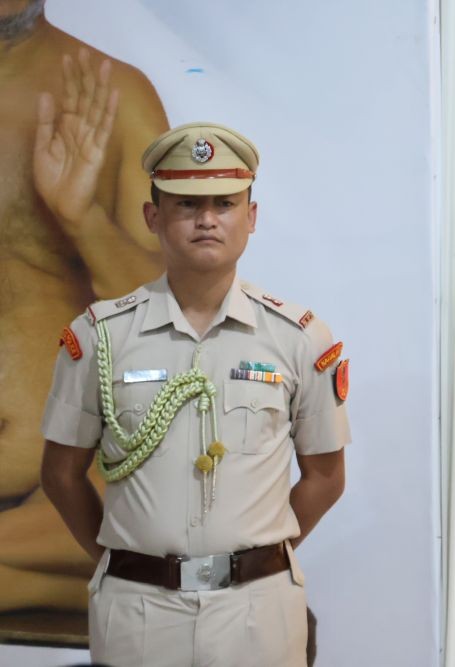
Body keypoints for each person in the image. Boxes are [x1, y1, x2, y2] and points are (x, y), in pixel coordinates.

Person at [40, 122, 351, 666]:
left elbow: (326, 476)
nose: (207, 219)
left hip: (256, 611)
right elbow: (61, 473)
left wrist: (254, 559)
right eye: (186, 204)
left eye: (225, 203)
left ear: (250, 218)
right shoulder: (100, 337)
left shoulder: (299, 338)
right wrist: (122, 560)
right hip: (138, 612)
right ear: (152, 217)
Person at [0, 0, 168, 612]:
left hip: (69, 490)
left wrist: (81, 218)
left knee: (172, 493)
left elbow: (179, 323)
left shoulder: (113, 96)